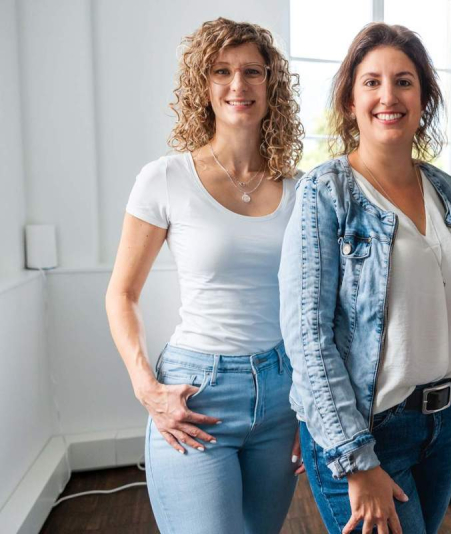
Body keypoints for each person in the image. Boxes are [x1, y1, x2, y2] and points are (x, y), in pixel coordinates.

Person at [279, 22, 451, 534]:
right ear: (350, 101)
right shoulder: (326, 191)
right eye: (371, 82)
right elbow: (308, 337)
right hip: (368, 433)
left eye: (404, 81)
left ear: (424, 99)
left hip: (441, 425)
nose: (388, 96)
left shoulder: (443, 187)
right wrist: (355, 457)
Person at [105, 18, 303, 534]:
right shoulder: (165, 178)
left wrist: (310, 406)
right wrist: (146, 387)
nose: (238, 85)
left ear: (272, 85)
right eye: (222, 71)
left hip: (282, 393)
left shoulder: (300, 190)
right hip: (197, 393)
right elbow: (122, 294)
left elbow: (315, 307)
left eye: (253, 71)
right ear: (204, 85)